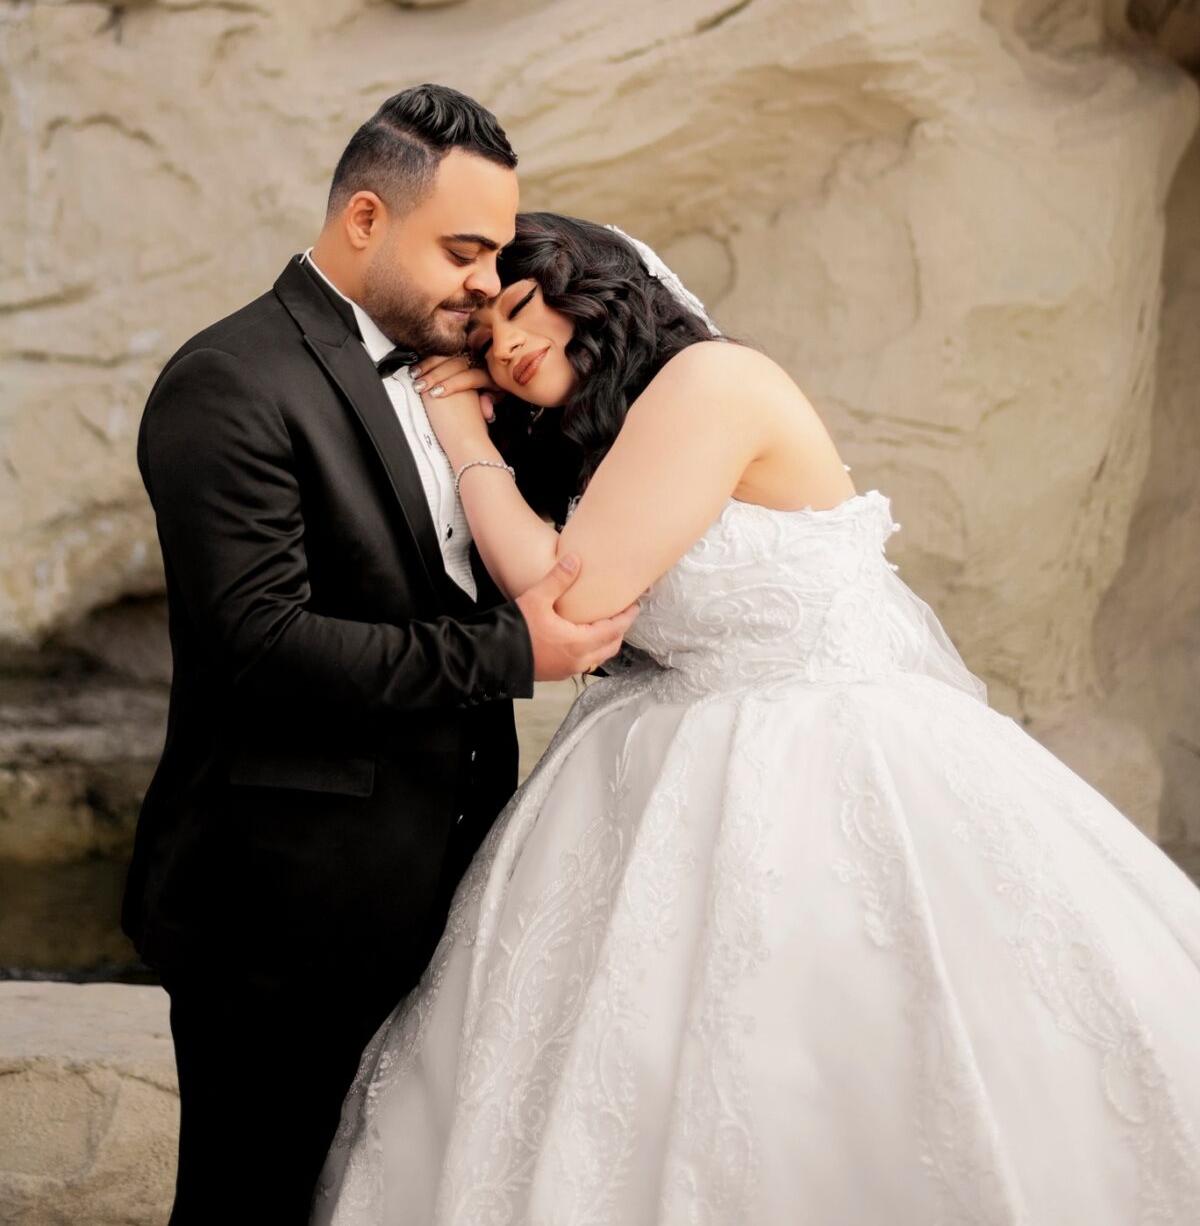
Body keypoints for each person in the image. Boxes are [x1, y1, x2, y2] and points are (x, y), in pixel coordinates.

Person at [313, 211, 1200, 1225]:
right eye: (482, 341)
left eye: (522, 308)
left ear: (599, 292)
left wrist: (464, 436)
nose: (507, 345)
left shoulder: (711, 382)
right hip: (665, 763)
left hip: (832, 757)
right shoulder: (610, 439)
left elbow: (571, 599)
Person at [121, 96, 636, 1226]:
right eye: (464, 251)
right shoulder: (231, 379)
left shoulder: (464, 379)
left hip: (446, 888)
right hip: (283, 906)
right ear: (365, 217)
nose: (487, 282)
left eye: (495, 253)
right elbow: (265, 644)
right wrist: (515, 650)